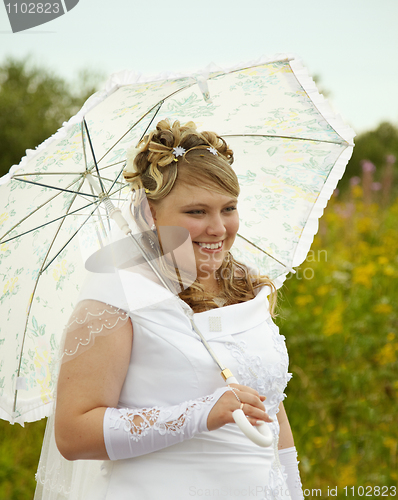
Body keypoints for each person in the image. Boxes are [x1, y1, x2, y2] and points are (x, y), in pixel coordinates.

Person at [34, 119, 304, 500]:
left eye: (228, 208)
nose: (218, 228)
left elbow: (271, 409)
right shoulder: (113, 297)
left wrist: (293, 491)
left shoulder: (243, 285)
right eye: (196, 212)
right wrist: (197, 415)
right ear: (149, 213)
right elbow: (74, 434)